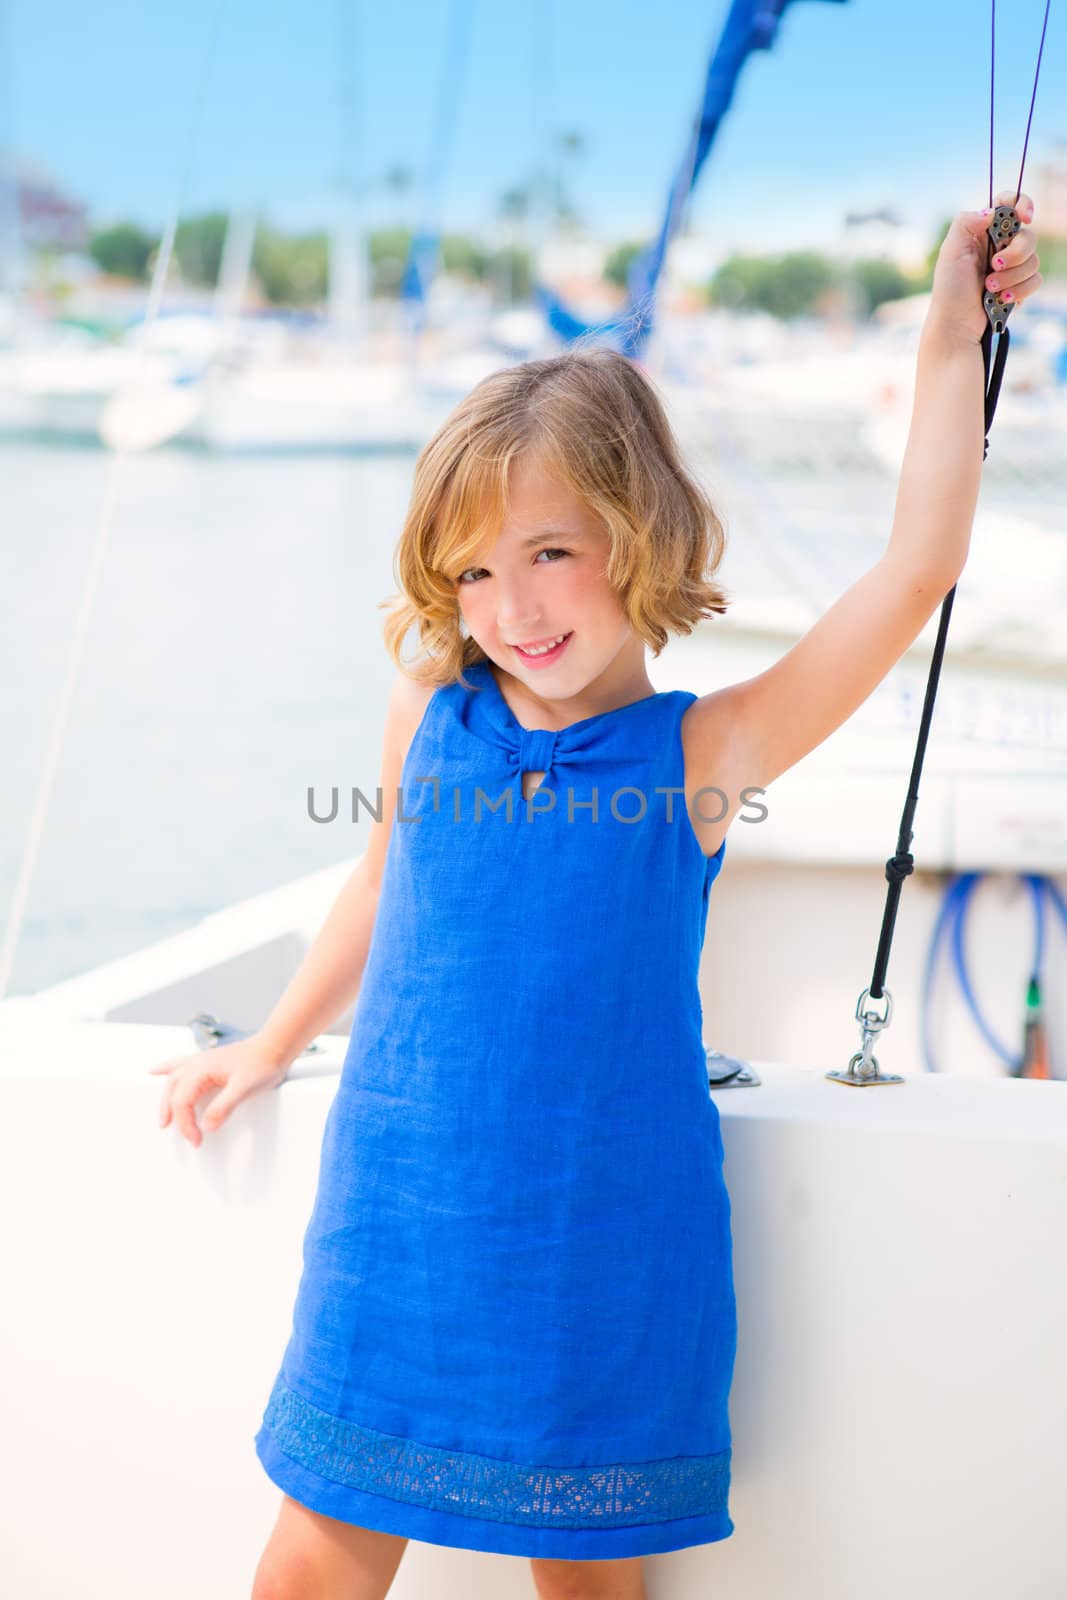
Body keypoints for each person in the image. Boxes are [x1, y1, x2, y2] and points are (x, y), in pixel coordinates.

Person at [150, 191, 1041, 1600]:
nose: (513, 606)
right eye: (478, 572)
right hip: (393, 1219)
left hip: (593, 1237)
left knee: (583, 1581)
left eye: (550, 551)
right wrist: (268, 1045)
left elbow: (917, 564)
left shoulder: (701, 752)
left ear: (639, 534)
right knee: (307, 1568)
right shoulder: (431, 705)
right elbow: (382, 881)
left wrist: (954, 331)